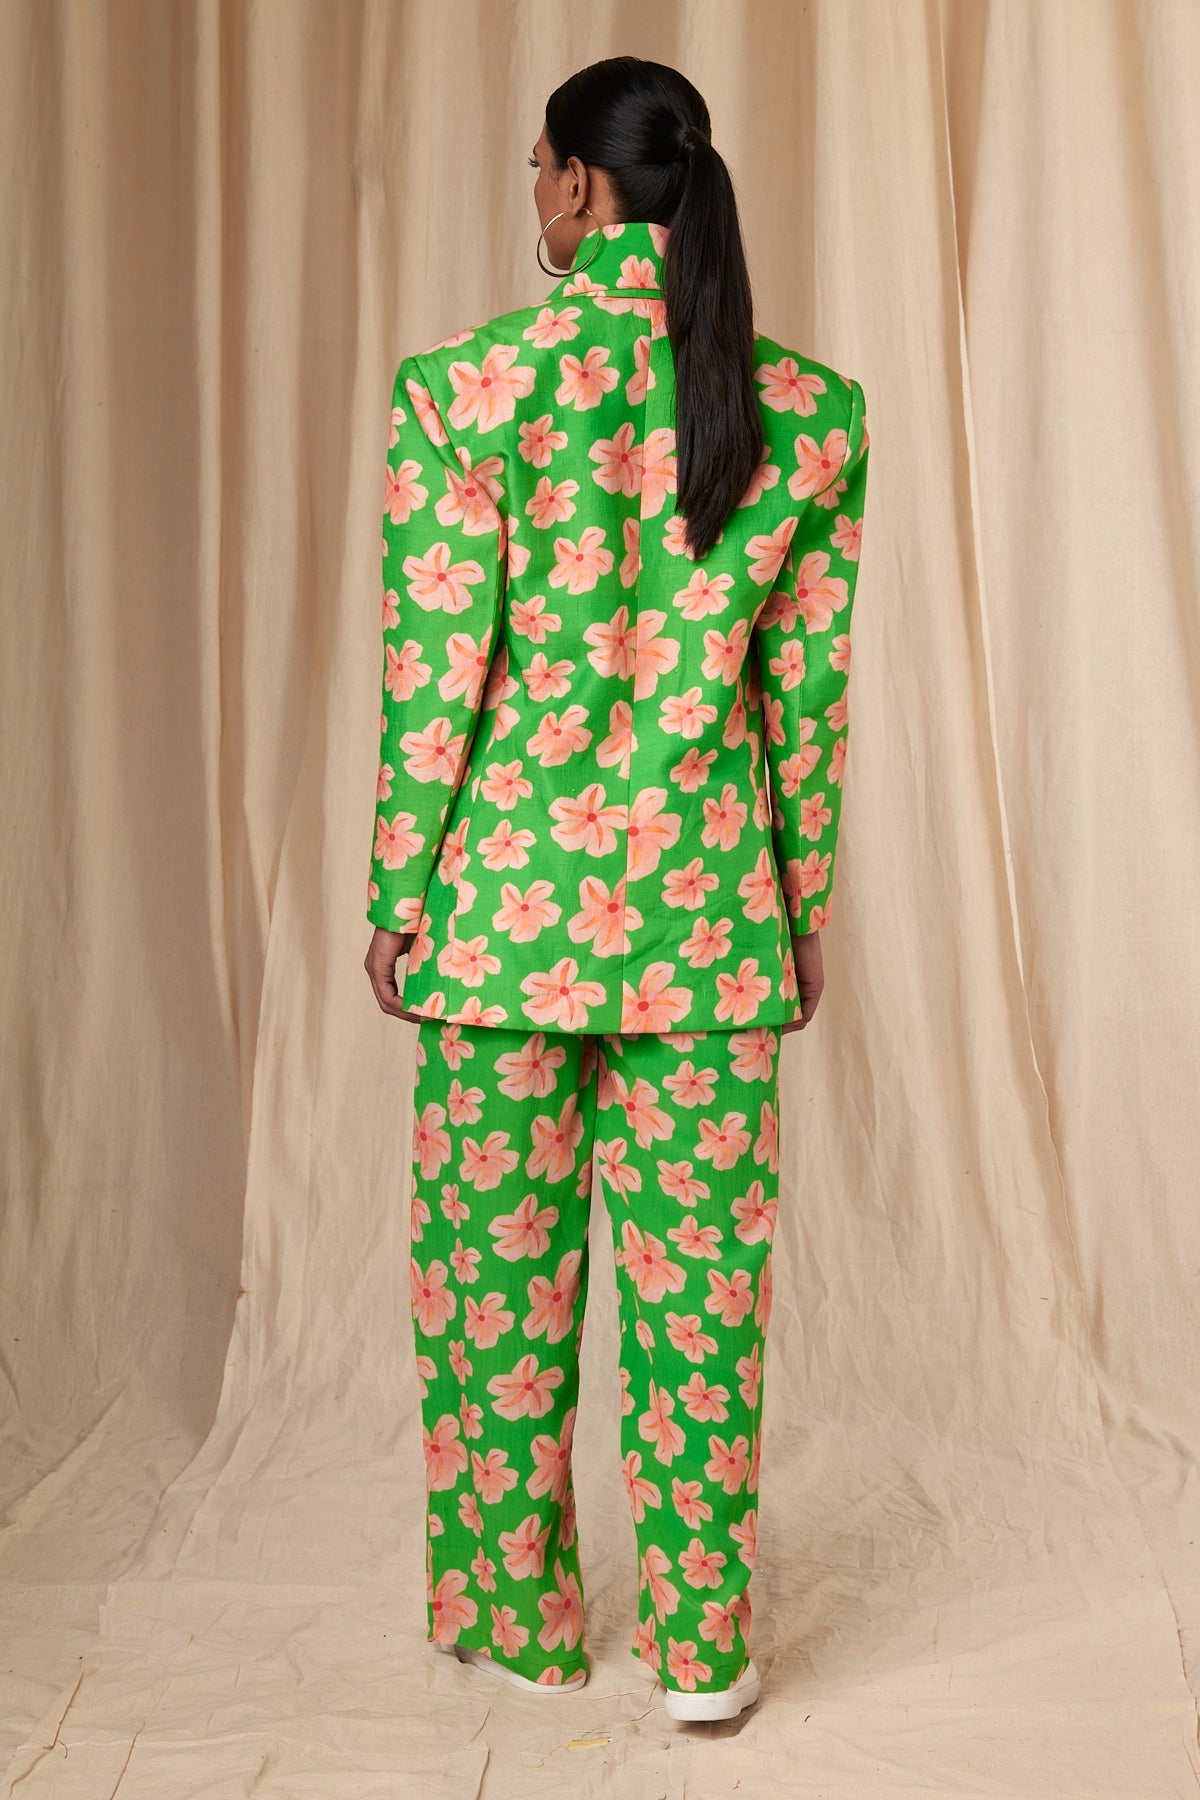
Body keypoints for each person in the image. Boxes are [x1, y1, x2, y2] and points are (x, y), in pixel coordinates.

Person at [363, 54, 870, 1723]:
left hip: (503, 924)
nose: (535, 194)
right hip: (711, 925)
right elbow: (803, 701)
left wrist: (399, 889)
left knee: (493, 1292)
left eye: (538, 167)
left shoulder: (467, 392)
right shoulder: (810, 415)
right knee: (702, 1310)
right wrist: (797, 908)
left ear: (581, 184)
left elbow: (436, 671)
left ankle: (518, 1623)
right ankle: (704, 1653)